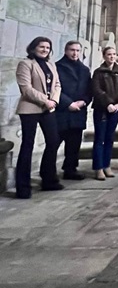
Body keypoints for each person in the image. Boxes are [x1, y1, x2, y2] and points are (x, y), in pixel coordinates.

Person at [14, 37, 62, 198]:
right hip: (30, 109)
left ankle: (48, 180)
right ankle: (23, 187)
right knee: (28, 145)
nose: (45, 50)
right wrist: (46, 101)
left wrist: (54, 100)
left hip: (48, 109)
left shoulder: (50, 65)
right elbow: (26, 89)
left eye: (48, 47)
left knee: (53, 140)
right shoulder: (25, 64)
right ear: (33, 48)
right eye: (41, 47)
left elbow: (57, 85)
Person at [55, 41, 92, 181]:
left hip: (78, 111)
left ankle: (70, 169)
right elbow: (54, 88)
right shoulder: (57, 67)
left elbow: (89, 90)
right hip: (62, 111)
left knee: (74, 144)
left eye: (77, 50)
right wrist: (68, 103)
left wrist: (83, 102)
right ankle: (48, 171)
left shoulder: (84, 69)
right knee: (54, 143)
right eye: (72, 50)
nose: (75, 53)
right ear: (66, 50)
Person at [91, 46, 118, 180]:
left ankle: (107, 165)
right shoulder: (98, 72)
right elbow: (97, 89)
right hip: (102, 109)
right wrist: (108, 103)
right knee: (99, 139)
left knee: (110, 138)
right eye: (109, 54)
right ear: (104, 56)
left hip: (116, 109)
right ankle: (98, 168)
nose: (112, 57)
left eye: (113, 54)